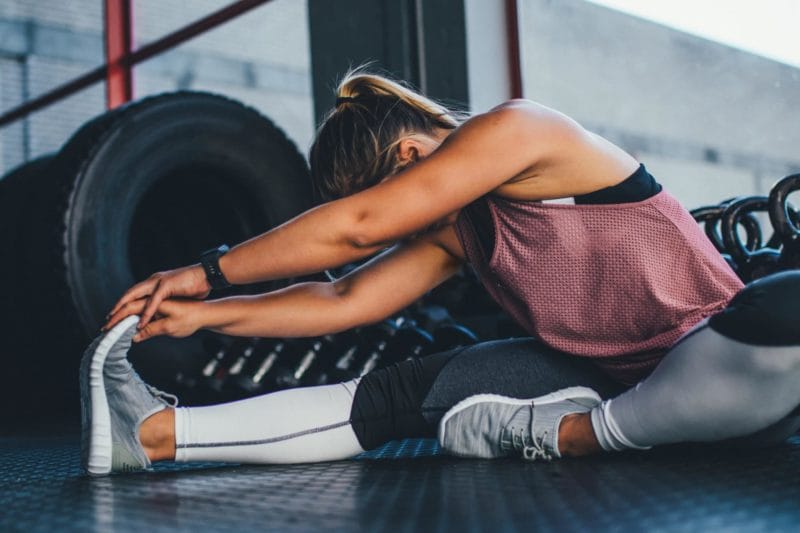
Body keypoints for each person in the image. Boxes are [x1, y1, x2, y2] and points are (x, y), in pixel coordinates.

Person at [83, 63, 800, 476]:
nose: (396, 223)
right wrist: (206, 316)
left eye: (393, 200)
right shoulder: (460, 231)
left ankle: (591, 432)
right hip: (615, 381)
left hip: (725, 370)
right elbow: (345, 298)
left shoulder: (523, 130)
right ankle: (152, 435)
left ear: (409, 163)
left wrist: (209, 273)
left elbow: (358, 229)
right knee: (401, 393)